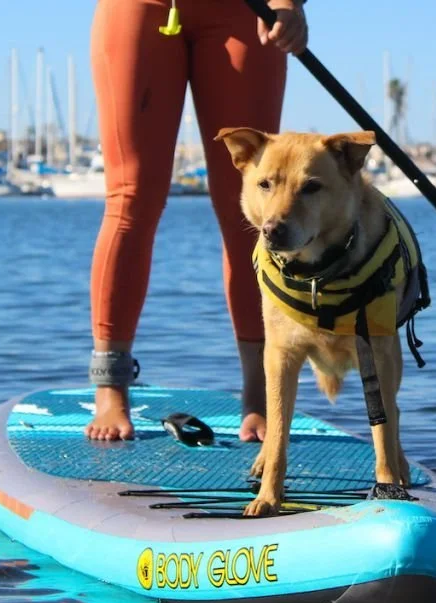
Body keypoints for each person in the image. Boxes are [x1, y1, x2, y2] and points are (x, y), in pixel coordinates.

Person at [84, 0, 309, 443]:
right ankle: (110, 384)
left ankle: (261, 390)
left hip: (242, 13)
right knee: (132, 198)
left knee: (250, 206)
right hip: (141, 9)